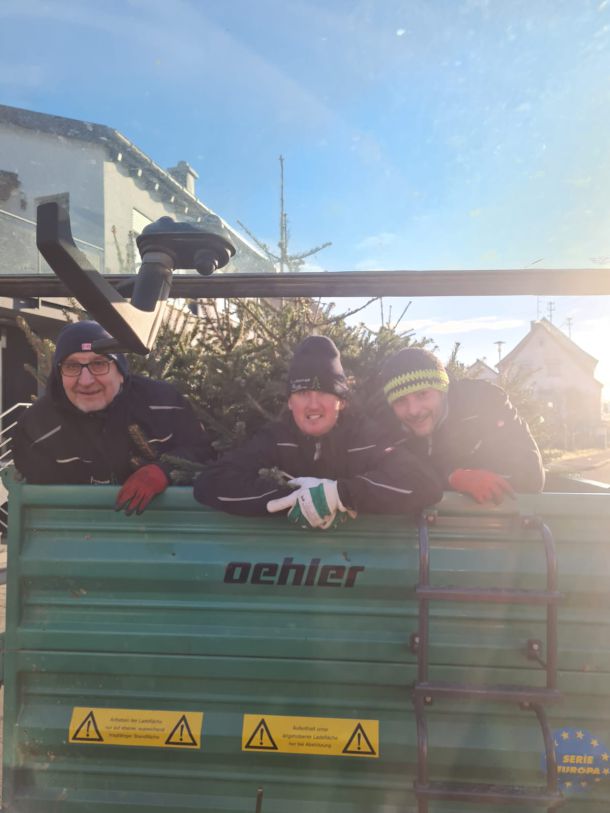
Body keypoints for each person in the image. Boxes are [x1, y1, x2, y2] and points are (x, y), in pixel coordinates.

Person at [194, 336, 442, 528]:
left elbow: (423, 483)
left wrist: (341, 495)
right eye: (302, 393)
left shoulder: (366, 436)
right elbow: (211, 482)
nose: (313, 405)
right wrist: (293, 498)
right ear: (290, 402)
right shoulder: (277, 437)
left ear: (341, 401)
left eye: (324, 392)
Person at [13, 320, 214, 514]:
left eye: (99, 364)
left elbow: (203, 451)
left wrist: (164, 470)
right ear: (60, 374)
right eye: (72, 366)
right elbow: (36, 502)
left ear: (120, 372)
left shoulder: (165, 402)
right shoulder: (36, 427)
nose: (85, 381)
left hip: (164, 527)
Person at [378, 347, 545, 503]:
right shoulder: (385, 425)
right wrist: (452, 477)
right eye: (400, 401)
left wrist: (464, 476)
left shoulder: (486, 404)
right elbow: (383, 479)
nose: (413, 410)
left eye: (422, 394)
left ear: (442, 391)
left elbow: (530, 478)